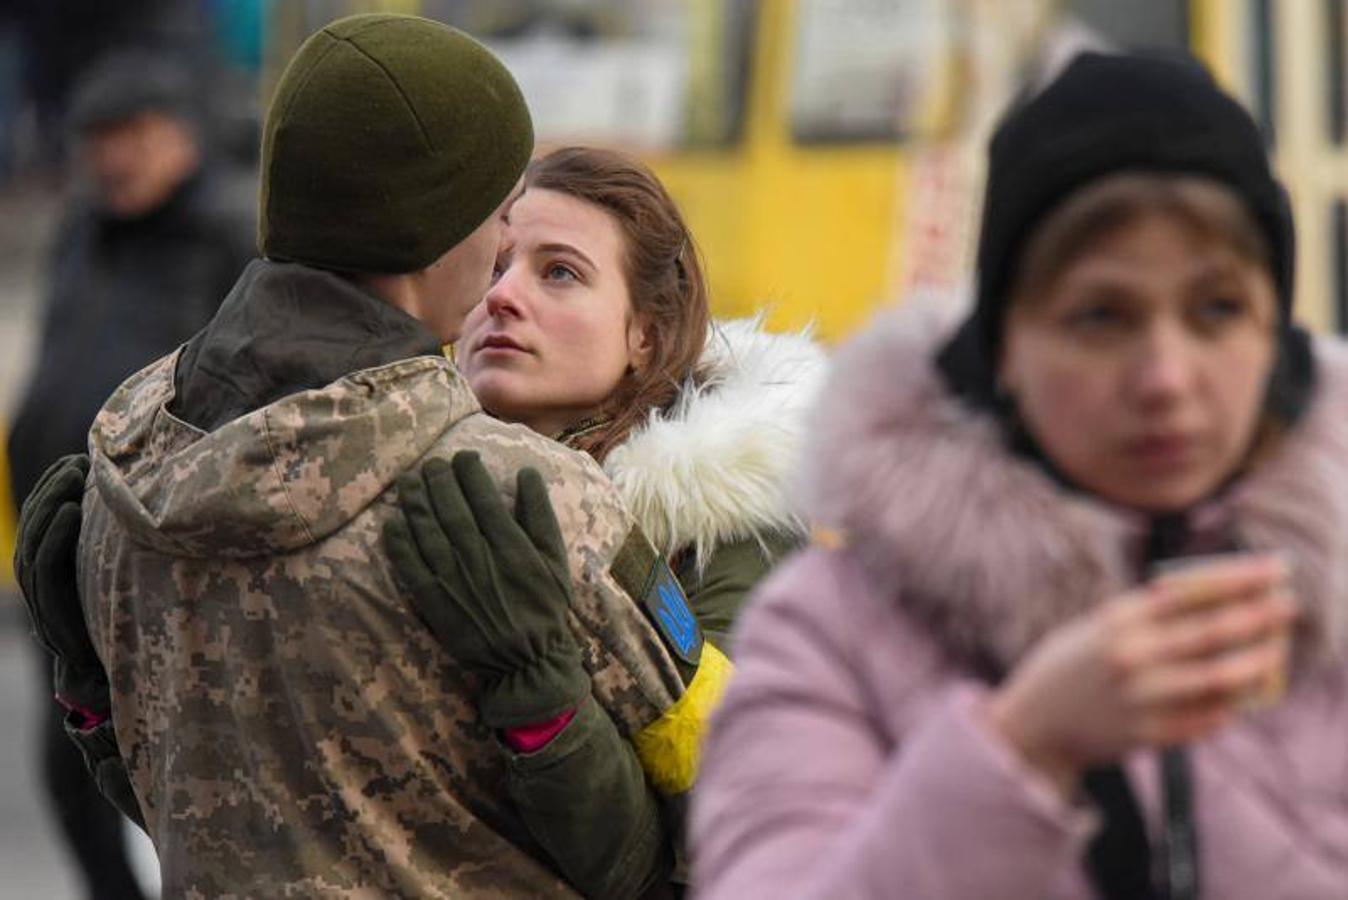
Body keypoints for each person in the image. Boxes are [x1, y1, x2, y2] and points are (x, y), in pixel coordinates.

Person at [15, 14, 699, 898]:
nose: (500, 258)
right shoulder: (522, 500)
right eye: (496, 217)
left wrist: (91, 705)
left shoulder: (121, 463)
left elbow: (196, 811)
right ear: (441, 223)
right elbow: (694, 843)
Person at [691, 51, 1348, 898]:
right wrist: (1023, 747)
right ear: (1001, 348)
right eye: (1101, 316)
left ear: (1276, 343)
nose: (1166, 378)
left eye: (1218, 310)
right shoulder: (830, 630)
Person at [386, 145, 823, 888]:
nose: (504, 296)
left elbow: (694, 847)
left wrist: (539, 688)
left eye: (559, 272)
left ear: (643, 334)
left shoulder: (728, 532)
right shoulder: (385, 482)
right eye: (493, 266)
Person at [6, 49, 252, 900]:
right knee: (70, 766)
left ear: (182, 136)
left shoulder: (230, 235)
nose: (114, 156)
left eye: (133, 135)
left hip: (161, 558)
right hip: (69, 554)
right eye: (98, 138)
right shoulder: (88, 226)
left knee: (174, 784)